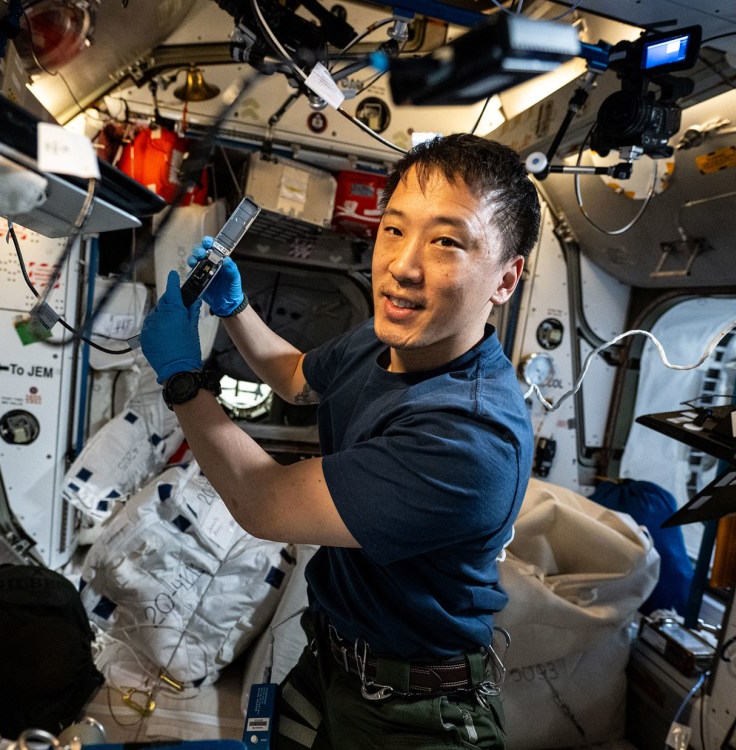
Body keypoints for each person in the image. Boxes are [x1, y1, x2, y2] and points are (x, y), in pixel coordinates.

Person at [139, 133, 541, 749]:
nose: (402, 266)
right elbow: (298, 379)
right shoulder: (388, 338)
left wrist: (181, 380)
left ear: (506, 281)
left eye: (446, 242)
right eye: (393, 229)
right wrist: (235, 308)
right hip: (332, 660)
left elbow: (264, 502)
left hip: (415, 711)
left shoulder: (470, 435)